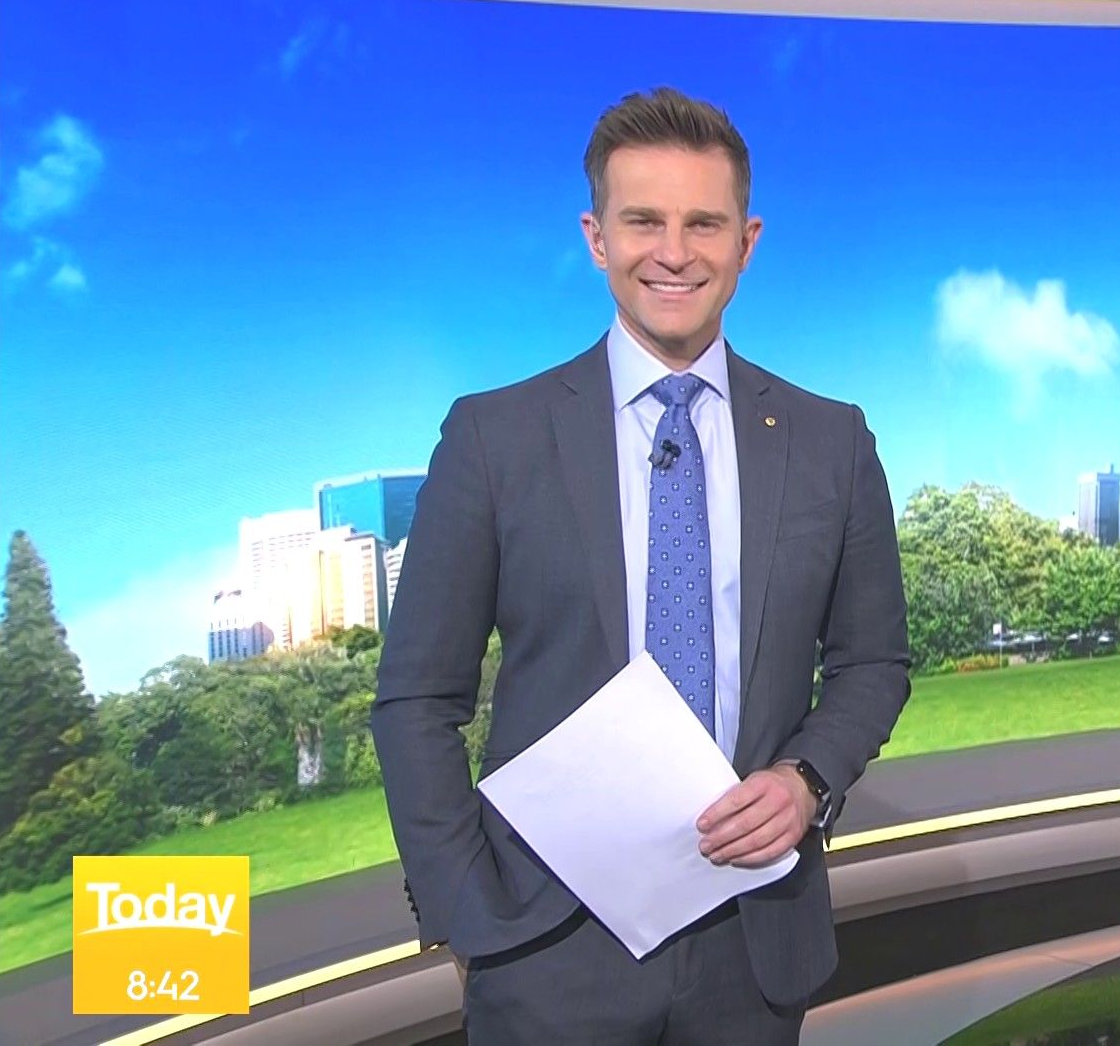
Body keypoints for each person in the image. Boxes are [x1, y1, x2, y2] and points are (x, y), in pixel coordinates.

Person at [371, 87, 912, 1044]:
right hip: (545, 950)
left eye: (703, 223)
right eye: (643, 222)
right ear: (596, 238)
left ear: (746, 242)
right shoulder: (494, 438)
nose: (674, 252)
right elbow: (417, 699)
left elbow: (873, 664)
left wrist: (806, 781)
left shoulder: (832, 442)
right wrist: (467, 913)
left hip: (754, 940)